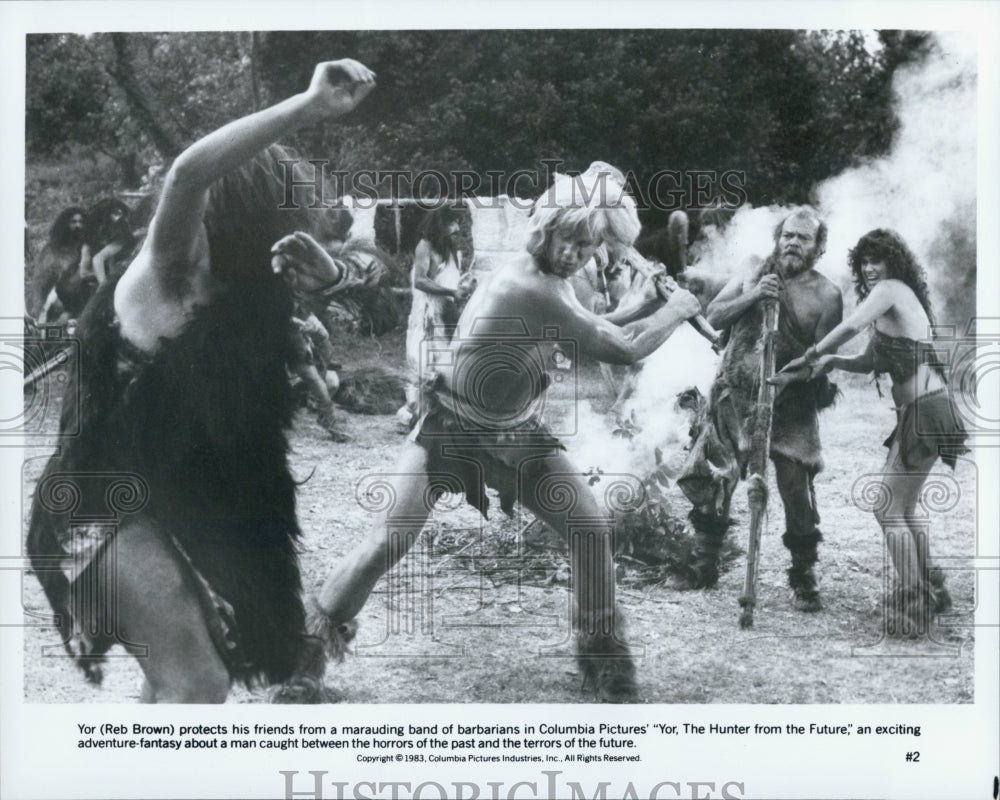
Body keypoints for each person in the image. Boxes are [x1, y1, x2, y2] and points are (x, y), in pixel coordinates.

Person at [26, 58, 376, 702]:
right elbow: (188, 174)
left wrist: (334, 280)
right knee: (198, 683)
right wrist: (308, 104)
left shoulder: (248, 293)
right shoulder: (168, 271)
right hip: (95, 506)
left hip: (168, 514)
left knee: (181, 677)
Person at [294, 166, 703, 702]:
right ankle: (301, 659)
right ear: (545, 232)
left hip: (515, 431)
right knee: (387, 542)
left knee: (589, 528)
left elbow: (599, 325)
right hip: (452, 427)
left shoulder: (552, 282)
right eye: (567, 241)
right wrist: (678, 307)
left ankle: (604, 656)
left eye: (586, 245)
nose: (574, 254)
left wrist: (650, 301)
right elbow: (620, 347)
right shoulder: (525, 283)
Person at [775, 228, 967, 631]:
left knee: (887, 509)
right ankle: (933, 587)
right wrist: (831, 364)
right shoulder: (890, 302)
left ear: (893, 263)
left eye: (877, 260)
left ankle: (915, 605)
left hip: (925, 412)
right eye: (864, 261)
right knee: (903, 509)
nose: (870, 268)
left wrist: (812, 353)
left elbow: (848, 327)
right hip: (925, 411)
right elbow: (866, 360)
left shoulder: (891, 290)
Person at [677, 207, 843, 611]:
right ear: (778, 237)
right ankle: (704, 564)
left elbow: (825, 360)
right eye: (788, 235)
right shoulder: (754, 269)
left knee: (793, 487)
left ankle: (803, 575)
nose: (792, 243)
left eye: (803, 238)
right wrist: (755, 295)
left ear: (818, 248)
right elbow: (713, 316)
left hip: (789, 403)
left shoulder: (827, 296)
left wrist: (790, 379)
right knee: (717, 476)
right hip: (734, 395)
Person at [397, 202, 475, 427]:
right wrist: (451, 291)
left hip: (445, 313)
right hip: (426, 314)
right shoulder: (425, 246)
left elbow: (451, 280)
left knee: (446, 362)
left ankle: (436, 413)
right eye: (453, 223)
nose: (457, 228)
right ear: (441, 224)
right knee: (423, 361)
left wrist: (463, 290)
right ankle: (414, 413)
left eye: (458, 223)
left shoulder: (451, 250)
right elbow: (420, 281)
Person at [27, 206, 88, 322]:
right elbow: (41, 282)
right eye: (73, 222)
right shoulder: (52, 249)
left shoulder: (87, 247)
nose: (78, 226)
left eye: (81, 222)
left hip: (78, 301)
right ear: (65, 224)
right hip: (54, 300)